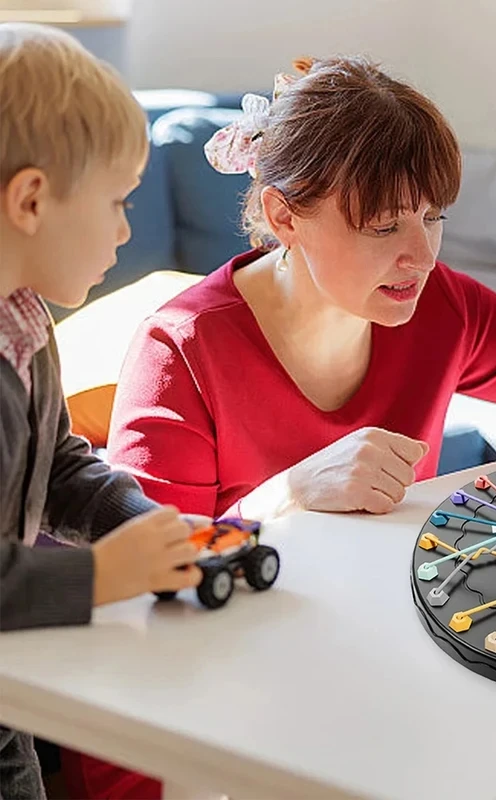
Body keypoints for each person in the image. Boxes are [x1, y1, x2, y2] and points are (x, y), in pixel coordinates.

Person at [67, 56, 496, 798]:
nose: (419, 255)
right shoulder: (184, 347)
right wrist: (287, 492)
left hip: (387, 673)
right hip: (224, 711)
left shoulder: (439, 308)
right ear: (285, 216)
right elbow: (137, 594)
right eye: (384, 225)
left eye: (432, 216)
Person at [0, 23, 203, 798]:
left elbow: (57, 464)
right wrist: (95, 577)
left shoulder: (26, 321)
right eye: (117, 201)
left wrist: (133, 519)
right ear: (31, 199)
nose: (126, 229)